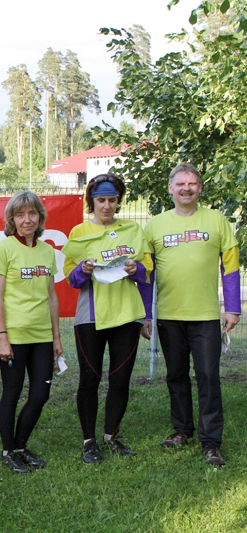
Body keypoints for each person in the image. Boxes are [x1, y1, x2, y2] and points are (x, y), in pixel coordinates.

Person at [145, 163, 241, 466]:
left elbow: (231, 267)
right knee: (176, 375)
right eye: (180, 183)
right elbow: (146, 275)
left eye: (192, 183)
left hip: (206, 317)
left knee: (208, 377)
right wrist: (145, 315)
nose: (186, 188)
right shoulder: (155, 225)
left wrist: (233, 308)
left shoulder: (217, 220)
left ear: (200, 188)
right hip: (169, 316)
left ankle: (211, 442)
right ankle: (182, 430)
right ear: (170, 188)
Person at [62, 174, 152, 464]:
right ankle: (89, 441)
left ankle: (111, 436)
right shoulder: (79, 231)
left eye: (112, 200)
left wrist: (136, 269)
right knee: (90, 378)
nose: (106, 206)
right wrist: (83, 270)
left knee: (120, 378)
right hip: (91, 316)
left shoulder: (132, 230)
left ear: (118, 201)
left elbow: (147, 271)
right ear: (92, 201)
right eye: (101, 200)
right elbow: (70, 278)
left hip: (127, 315)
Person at [0, 191, 62, 473]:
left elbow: (52, 296)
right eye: (20, 215)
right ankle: (8, 451)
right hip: (14, 336)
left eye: (32, 213)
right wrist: (2, 336)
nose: (27, 220)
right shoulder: (4, 249)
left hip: (42, 336)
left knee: (40, 395)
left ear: (40, 217)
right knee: (12, 393)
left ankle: (20, 446)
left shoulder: (47, 251)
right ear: (12, 219)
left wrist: (56, 338)